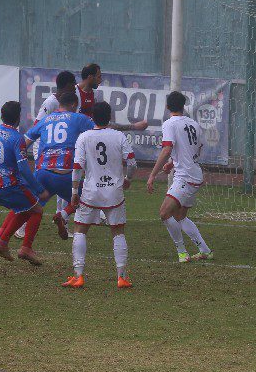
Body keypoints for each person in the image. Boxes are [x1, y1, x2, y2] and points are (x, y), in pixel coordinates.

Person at [63, 101, 136, 289]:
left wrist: (74, 191)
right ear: (109, 116)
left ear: (92, 118)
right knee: (118, 231)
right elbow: (132, 162)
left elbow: (77, 166)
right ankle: (121, 277)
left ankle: (78, 276)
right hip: (114, 192)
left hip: (91, 192)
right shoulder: (119, 136)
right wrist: (128, 179)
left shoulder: (84, 137)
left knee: (80, 230)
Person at [0, 101, 52, 266]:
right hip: (9, 185)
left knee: (23, 208)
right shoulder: (17, 138)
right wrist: (39, 189)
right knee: (37, 210)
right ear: (18, 118)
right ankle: (24, 247)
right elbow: (24, 169)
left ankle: (0, 239)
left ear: (2, 115)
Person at [146, 91, 212, 264]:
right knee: (180, 216)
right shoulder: (194, 124)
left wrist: (152, 175)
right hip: (194, 174)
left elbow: (167, 149)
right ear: (183, 107)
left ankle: (182, 252)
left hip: (185, 177)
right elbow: (197, 148)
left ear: (167, 106)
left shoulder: (170, 123)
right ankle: (205, 250)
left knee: (164, 213)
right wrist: (173, 163)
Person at [24, 91, 96, 240]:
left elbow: (25, 143)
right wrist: (133, 127)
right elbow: (100, 129)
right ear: (74, 105)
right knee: (87, 197)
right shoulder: (78, 118)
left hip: (43, 172)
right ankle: (63, 215)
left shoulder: (46, 119)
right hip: (65, 173)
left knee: (30, 204)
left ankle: (4, 236)